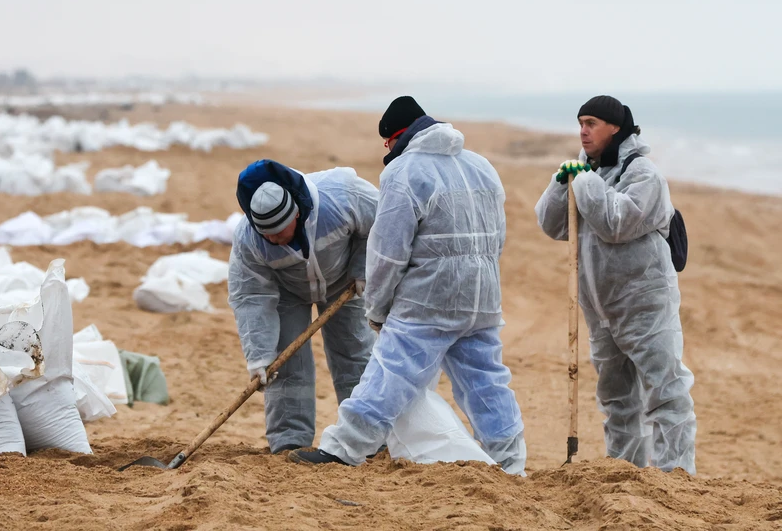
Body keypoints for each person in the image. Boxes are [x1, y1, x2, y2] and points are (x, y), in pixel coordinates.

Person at [289, 96, 527, 474]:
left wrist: (379, 309)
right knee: (487, 381)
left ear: (394, 138)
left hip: (428, 299)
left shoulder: (404, 171)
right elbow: (497, 237)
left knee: (389, 372)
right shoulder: (481, 166)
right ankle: (512, 462)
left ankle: (344, 449)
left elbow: (388, 251)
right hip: (482, 296)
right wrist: (481, 279)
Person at [534, 95, 696, 474]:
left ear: (615, 128)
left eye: (591, 122)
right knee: (616, 397)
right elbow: (553, 225)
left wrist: (585, 182)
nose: (583, 130)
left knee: (664, 390)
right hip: (601, 308)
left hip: (644, 303)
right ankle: (624, 469)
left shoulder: (644, 174)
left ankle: (675, 473)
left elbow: (617, 222)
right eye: (580, 122)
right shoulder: (591, 172)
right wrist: (563, 185)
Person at [229, 158, 379, 453]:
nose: (272, 238)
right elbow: (250, 296)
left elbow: (383, 224)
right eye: (266, 234)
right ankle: (289, 441)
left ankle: (367, 438)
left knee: (355, 354)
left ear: (295, 215)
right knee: (284, 365)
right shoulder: (248, 239)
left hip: (343, 282)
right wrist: (258, 356)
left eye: (279, 231)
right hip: (287, 290)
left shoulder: (342, 196)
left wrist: (363, 269)